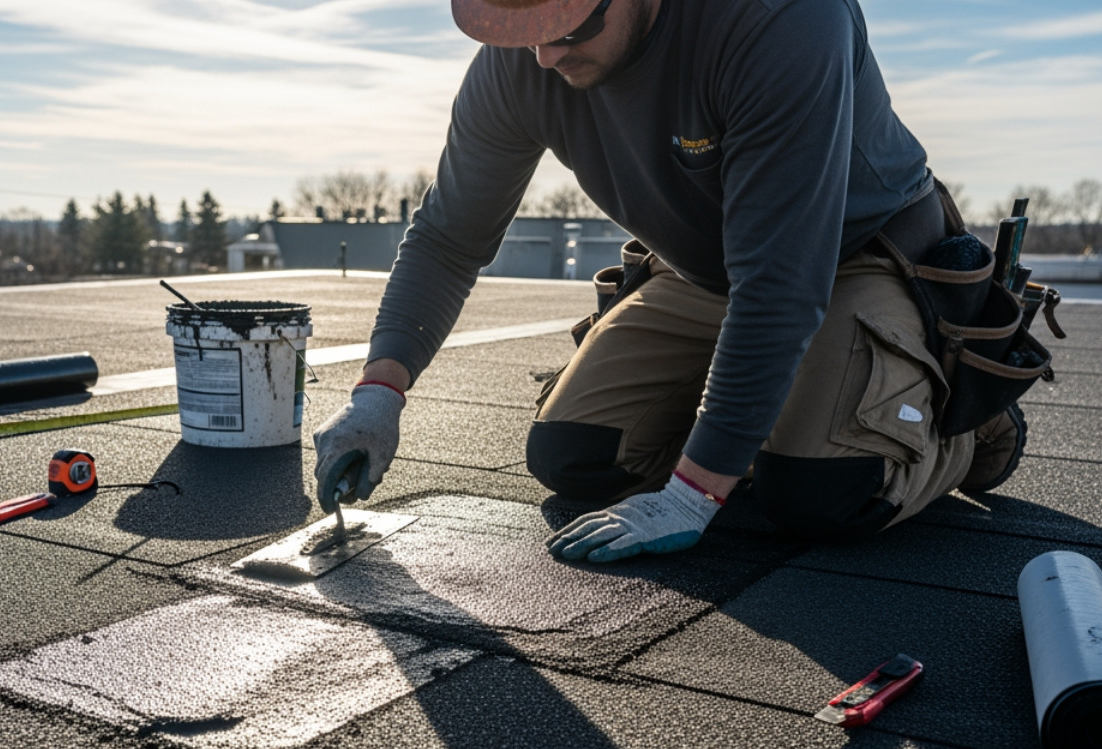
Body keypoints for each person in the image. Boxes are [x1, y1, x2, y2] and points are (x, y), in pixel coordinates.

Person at [313, 0, 1026, 563]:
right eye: (524, 32)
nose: (545, 55)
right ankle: (782, 417)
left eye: (570, 26)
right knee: (576, 456)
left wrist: (693, 494)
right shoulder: (522, 57)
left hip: (856, 256)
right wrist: (379, 393)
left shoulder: (782, 20)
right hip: (704, 270)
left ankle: (957, 418)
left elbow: (781, 282)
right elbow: (448, 236)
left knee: (820, 495)